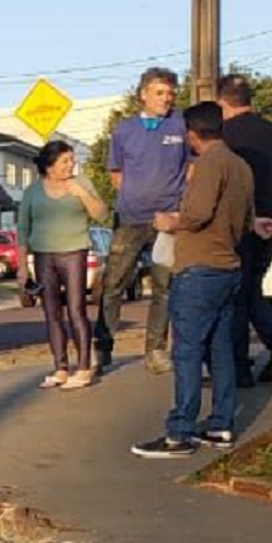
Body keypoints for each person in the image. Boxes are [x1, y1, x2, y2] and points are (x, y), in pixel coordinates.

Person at [132, 101, 254, 459]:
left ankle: (180, 432)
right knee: (221, 351)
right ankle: (221, 424)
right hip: (229, 266)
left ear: (192, 133)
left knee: (186, 351)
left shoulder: (209, 165)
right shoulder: (241, 166)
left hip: (199, 268)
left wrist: (170, 222)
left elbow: (197, 214)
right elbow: (246, 221)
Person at [216, 73, 272, 385]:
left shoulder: (223, 137)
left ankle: (238, 368)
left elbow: (228, 186)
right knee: (252, 288)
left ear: (221, 102)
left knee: (236, 295)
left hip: (242, 224)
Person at [97, 68, 187, 374]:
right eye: (160, 93)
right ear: (143, 94)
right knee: (113, 284)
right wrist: (136, 196)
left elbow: (192, 168)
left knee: (164, 286)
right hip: (130, 219)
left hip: (168, 221)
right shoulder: (124, 130)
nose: (167, 98)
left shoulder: (180, 124)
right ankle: (102, 349)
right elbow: (115, 173)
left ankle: (156, 350)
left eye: (170, 93)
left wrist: (177, 208)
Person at [16, 140, 109, 389]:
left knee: (76, 310)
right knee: (51, 312)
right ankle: (60, 367)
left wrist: (81, 193)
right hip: (44, 255)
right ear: (49, 166)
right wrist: (23, 265)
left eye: (72, 160)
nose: (71, 165)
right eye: (65, 161)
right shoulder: (33, 191)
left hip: (74, 253)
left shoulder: (82, 184)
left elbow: (101, 213)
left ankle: (84, 367)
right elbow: (23, 228)